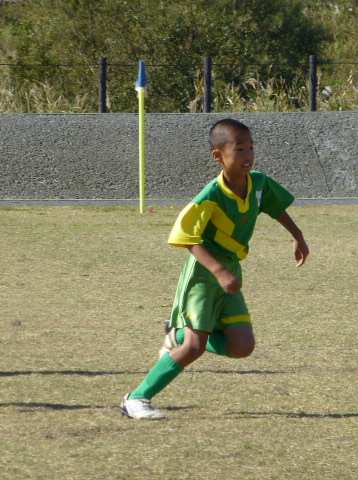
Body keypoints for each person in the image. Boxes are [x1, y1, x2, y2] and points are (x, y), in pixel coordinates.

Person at [121, 118, 309, 419]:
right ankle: (137, 399)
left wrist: (297, 236)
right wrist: (218, 272)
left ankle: (177, 336)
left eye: (251, 147)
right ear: (218, 156)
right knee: (195, 347)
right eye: (239, 149)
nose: (248, 155)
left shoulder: (258, 183)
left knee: (242, 347)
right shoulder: (211, 195)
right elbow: (186, 237)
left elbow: (276, 207)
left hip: (230, 273)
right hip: (203, 276)